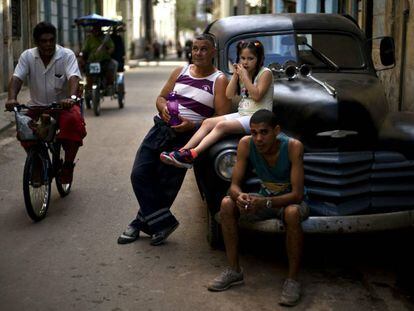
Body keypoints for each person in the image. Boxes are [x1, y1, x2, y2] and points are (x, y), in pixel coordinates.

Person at [117, 34, 231, 246]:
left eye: (204, 49)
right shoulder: (181, 71)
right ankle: (163, 223)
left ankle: (138, 224)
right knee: (139, 174)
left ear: (213, 52)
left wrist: (193, 125)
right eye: (195, 48)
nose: (198, 53)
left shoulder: (219, 80)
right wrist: (163, 110)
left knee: (166, 184)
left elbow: (221, 117)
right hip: (161, 129)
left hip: (188, 138)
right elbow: (161, 98)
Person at [206, 109, 308, 307]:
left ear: (276, 130)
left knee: (293, 213)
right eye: (254, 132)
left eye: (264, 132)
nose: (258, 138)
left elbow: (297, 195)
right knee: (227, 203)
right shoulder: (246, 144)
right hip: (264, 197)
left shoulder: (293, 147)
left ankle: (293, 280)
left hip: (288, 202)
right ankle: (234, 271)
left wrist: (265, 203)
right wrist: (241, 197)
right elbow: (233, 186)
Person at [160, 40, 273, 169]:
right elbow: (229, 94)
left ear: (259, 59)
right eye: (242, 58)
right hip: (243, 114)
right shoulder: (244, 74)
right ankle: (182, 152)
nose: (246, 62)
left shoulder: (265, 73)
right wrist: (236, 76)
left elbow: (257, 96)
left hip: (259, 117)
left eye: (251, 59)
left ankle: (193, 154)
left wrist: (245, 77)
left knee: (222, 126)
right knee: (207, 122)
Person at [5, 21, 86, 184]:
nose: (48, 44)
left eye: (51, 40)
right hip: (36, 106)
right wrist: (11, 98)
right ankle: (36, 164)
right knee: (24, 128)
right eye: (44, 41)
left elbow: (73, 77)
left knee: (74, 124)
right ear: (36, 42)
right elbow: (17, 78)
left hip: (63, 107)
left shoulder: (66, 55)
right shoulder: (27, 56)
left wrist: (71, 98)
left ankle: (68, 165)